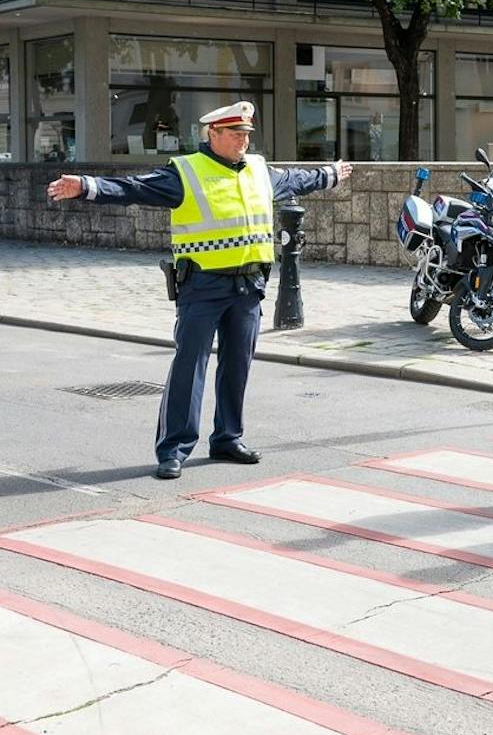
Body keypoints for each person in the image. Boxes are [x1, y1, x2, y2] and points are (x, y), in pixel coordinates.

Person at [44, 101, 352, 480]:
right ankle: (174, 448)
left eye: (246, 135)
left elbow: (294, 182)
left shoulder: (258, 169)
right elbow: (134, 188)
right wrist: (87, 187)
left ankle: (227, 437)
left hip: (248, 287)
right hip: (203, 286)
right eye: (235, 134)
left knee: (237, 365)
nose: (243, 141)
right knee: (190, 367)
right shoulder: (186, 172)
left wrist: (331, 174)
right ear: (214, 134)